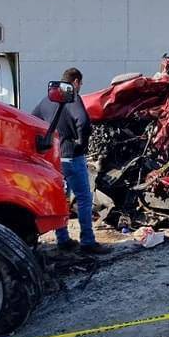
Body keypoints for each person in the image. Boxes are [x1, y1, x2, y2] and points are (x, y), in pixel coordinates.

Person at [33, 67, 112, 254]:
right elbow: (83, 122)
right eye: (81, 84)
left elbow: (33, 119)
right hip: (72, 156)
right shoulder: (72, 97)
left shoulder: (47, 100)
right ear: (75, 82)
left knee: (61, 199)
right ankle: (87, 241)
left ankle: (63, 240)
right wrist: (80, 143)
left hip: (54, 159)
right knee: (84, 198)